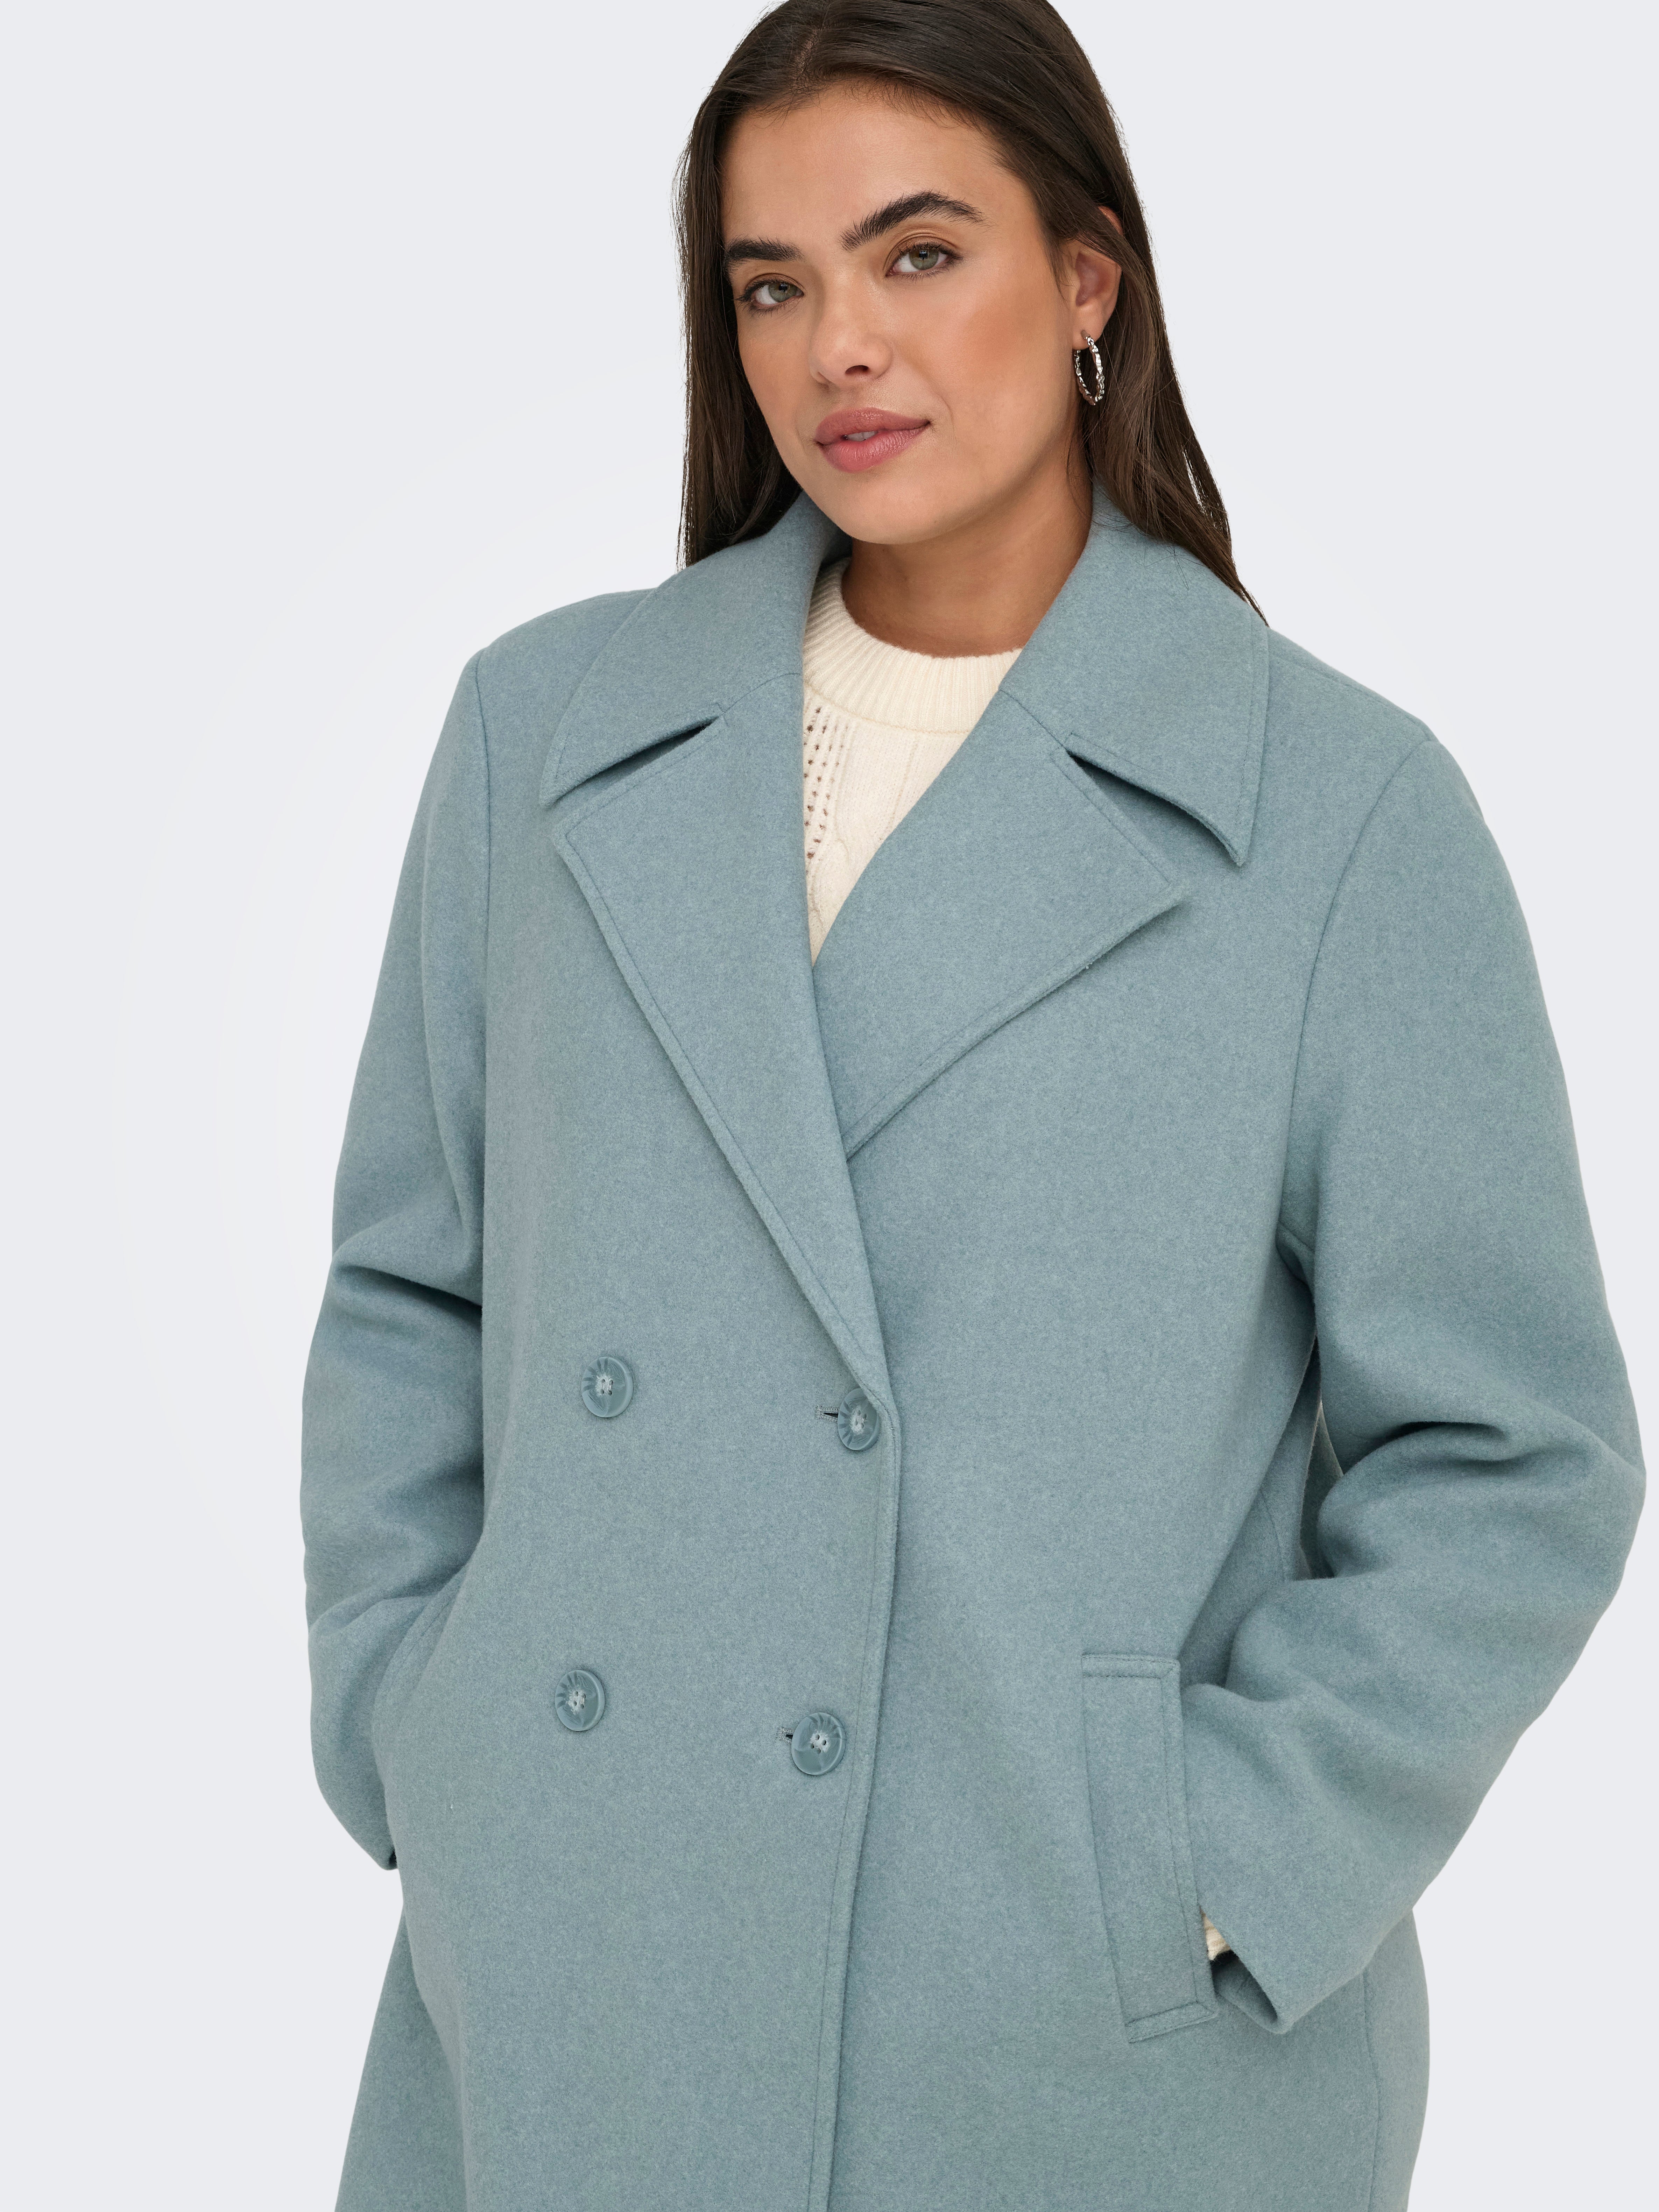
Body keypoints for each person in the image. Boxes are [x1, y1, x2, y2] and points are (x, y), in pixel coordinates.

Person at [299, 3, 1644, 2207]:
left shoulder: (1334, 815)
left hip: (1056, 2035)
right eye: (772, 283)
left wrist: (1224, 1857)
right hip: (574, 1967)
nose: (841, 343)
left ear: (1086, 279)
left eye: (917, 254)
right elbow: (406, 1291)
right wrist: (417, 1729)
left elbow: (1515, 1454)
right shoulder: (543, 737)